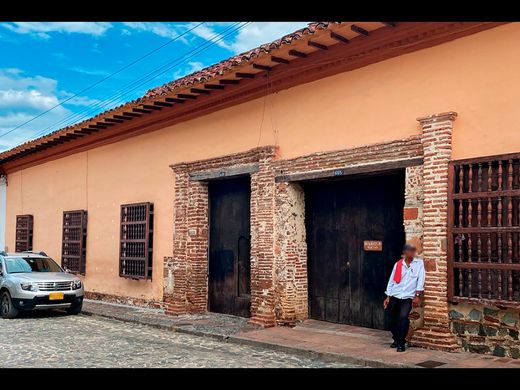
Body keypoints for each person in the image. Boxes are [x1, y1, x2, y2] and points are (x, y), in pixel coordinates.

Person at [383, 243, 425, 352]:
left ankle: (401, 342)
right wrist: (388, 296)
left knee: (403, 317)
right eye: (408, 251)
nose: (411, 253)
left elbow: (421, 280)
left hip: (407, 297)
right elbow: (392, 280)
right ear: (404, 252)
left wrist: (417, 295)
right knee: (391, 319)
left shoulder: (419, 264)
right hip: (395, 295)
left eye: (412, 251)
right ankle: (396, 338)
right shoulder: (398, 265)